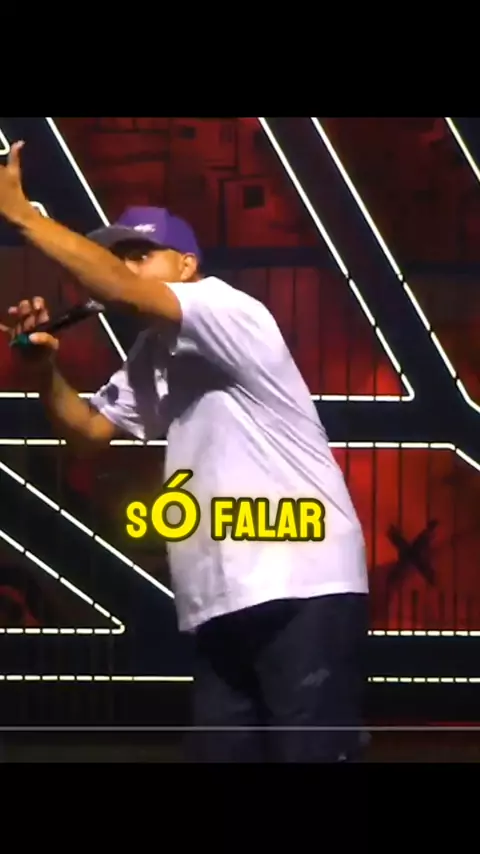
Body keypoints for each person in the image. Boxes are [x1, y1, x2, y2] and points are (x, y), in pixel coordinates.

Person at [0, 142, 369, 762]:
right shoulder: (152, 352)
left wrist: (24, 217)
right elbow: (88, 432)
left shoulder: (226, 308)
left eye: (140, 254)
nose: (126, 266)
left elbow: (119, 290)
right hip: (219, 600)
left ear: (188, 264)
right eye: (119, 256)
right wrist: (43, 373)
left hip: (301, 584)